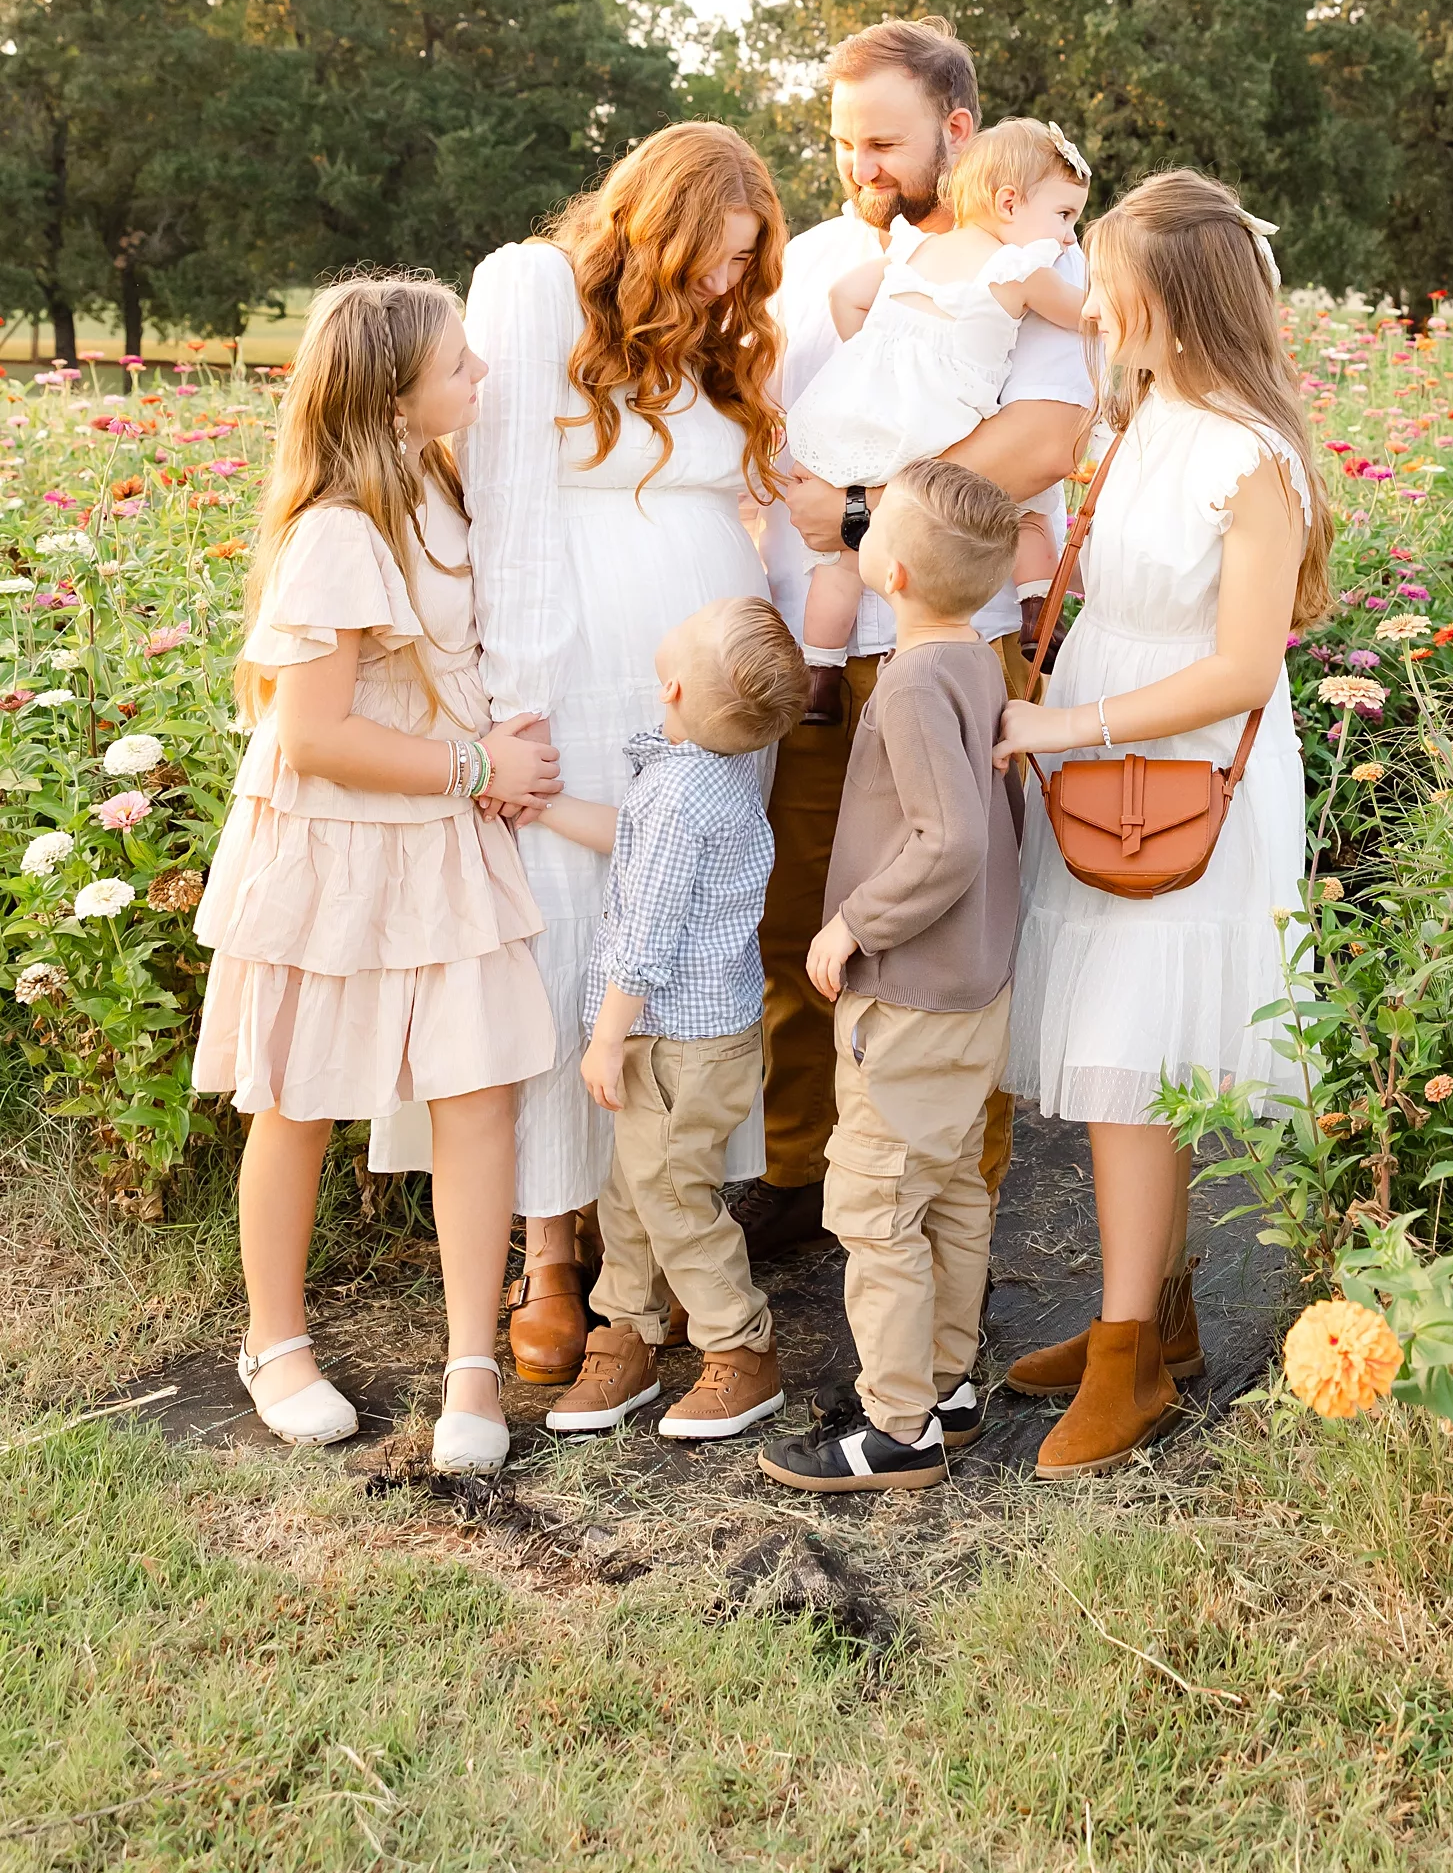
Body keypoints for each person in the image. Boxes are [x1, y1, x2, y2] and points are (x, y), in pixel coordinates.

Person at [367, 125, 789, 1390]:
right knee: (562, 939)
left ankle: (646, 1257)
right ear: (650, 227)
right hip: (582, 677)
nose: (727, 287)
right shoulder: (535, 290)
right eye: (712, 260)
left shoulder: (719, 345)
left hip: (708, 690)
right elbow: (505, 507)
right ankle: (547, 1250)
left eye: (746, 266)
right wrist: (515, 705)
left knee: (682, 929)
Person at [194, 277, 564, 1475]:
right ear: (395, 396)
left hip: (436, 830)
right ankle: (274, 1341)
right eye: (461, 365)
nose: (483, 378)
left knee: (476, 1091)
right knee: (297, 1097)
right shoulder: (338, 532)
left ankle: (470, 1362)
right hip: (334, 839)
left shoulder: (441, 486)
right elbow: (315, 735)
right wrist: (476, 762)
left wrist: (493, 759)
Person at [993, 172, 1332, 1476]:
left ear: (1173, 306)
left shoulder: (1251, 452)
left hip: (1179, 765)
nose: (1089, 305)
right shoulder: (1147, 417)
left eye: (1109, 286)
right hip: (1104, 745)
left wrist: (1061, 730)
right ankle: (1156, 1312)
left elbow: (1242, 668)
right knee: (1114, 1053)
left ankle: (1131, 1351)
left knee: (1135, 1059)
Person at [745, 18, 1093, 1257]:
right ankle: (799, 1168)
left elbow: (1043, 439)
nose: (859, 164)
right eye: (843, 141)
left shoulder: (1029, 250)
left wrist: (858, 514)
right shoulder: (827, 258)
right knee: (798, 911)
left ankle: (952, 1207)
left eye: (884, 141)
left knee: (948, 929)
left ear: (956, 130)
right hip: (814, 646)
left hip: (947, 637)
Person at [759, 460, 1025, 1493]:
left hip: (909, 988)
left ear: (897, 573)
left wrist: (852, 926)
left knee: (875, 1204)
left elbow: (950, 840)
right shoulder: (972, 660)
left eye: (872, 524)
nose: (856, 527)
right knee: (953, 1188)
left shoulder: (910, 680)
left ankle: (897, 1425)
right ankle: (947, 1385)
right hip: (974, 986)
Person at [532, 597, 808, 1440]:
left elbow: (645, 935)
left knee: (671, 1194)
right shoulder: (708, 774)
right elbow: (635, 843)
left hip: (670, 1042)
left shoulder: (678, 794)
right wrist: (544, 809)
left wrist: (607, 1036)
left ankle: (740, 1347)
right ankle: (626, 1329)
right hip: (702, 1036)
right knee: (633, 1188)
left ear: (676, 683)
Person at [786, 118, 1090, 720]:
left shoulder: (913, 249)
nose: (1067, 235)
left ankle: (819, 675)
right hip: (939, 417)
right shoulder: (1023, 266)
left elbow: (845, 296)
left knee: (842, 558)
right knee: (1024, 510)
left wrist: (869, 359)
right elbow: (1083, 316)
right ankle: (1037, 612)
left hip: (862, 406)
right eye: (1064, 216)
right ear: (1010, 202)